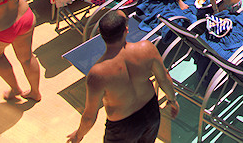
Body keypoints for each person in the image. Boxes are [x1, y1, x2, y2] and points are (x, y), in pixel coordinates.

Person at [66, 11, 179, 142]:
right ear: (126, 30)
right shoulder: (147, 48)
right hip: (150, 113)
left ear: (101, 35)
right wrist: (172, 100)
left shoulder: (97, 74)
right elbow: (164, 78)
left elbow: (89, 116)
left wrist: (78, 135)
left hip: (122, 127)